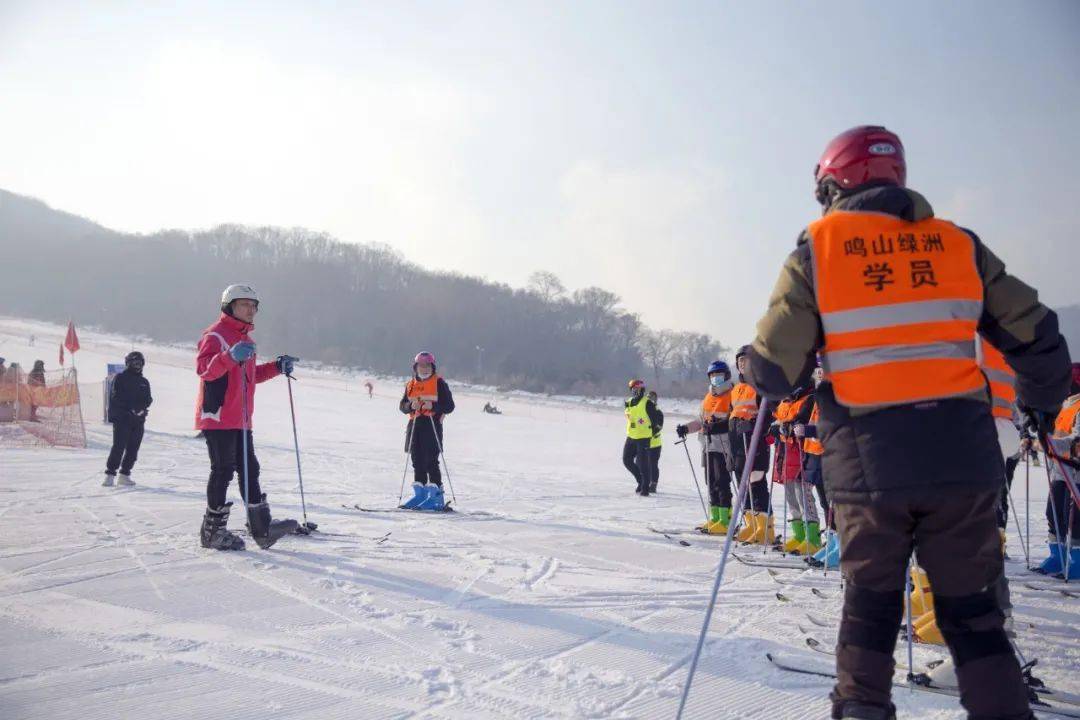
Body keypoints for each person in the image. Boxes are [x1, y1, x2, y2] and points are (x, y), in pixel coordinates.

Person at [746, 124, 1071, 720]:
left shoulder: (816, 251)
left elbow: (772, 370)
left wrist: (770, 366)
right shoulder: (957, 245)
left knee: (870, 611)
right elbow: (1039, 335)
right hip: (962, 468)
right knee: (974, 618)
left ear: (833, 184)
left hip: (869, 471)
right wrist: (1041, 405)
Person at [195, 284, 298, 551]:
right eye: (244, 305)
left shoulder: (247, 342)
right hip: (218, 416)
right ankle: (213, 531)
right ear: (229, 306)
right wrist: (229, 355)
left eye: (254, 306)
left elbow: (252, 377)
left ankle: (262, 528)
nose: (251, 310)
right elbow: (205, 370)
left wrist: (276, 367)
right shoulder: (215, 336)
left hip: (241, 418)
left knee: (250, 469)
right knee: (223, 470)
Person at [676, 360, 734, 533]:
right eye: (713, 375)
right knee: (711, 482)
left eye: (719, 375)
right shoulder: (708, 397)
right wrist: (686, 428)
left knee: (721, 481)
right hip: (707, 446)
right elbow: (701, 421)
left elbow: (732, 421)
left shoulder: (732, 394)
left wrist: (718, 425)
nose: (716, 378)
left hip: (723, 446)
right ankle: (715, 517)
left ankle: (726, 520)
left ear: (727, 376)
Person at [1034, 362, 1080, 577]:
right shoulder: (1064, 406)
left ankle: (1077, 560)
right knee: (1053, 514)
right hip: (1059, 471)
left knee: (1073, 518)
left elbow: (1076, 441)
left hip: (1075, 473)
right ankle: (1057, 556)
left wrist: (1053, 443)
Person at [399, 351, 456, 510]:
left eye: (427, 366)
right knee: (417, 460)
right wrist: (411, 406)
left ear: (432, 366)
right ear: (415, 367)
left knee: (431, 460)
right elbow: (402, 406)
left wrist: (434, 407)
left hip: (431, 425)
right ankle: (421, 494)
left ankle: (436, 496)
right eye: (420, 366)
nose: (424, 369)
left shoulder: (439, 383)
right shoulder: (410, 384)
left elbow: (449, 406)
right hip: (414, 424)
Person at [731, 346, 774, 544]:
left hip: (756, 442)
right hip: (739, 443)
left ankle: (765, 527)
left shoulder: (761, 386)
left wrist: (754, 424)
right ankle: (751, 525)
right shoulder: (736, 389)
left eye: (746, 361)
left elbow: (770, 414)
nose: (742, 365)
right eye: (740, 361)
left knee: (756, 481)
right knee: (743, 483)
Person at [774, 384, 820, 555]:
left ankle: (813, 537)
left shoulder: (808, 399)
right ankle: (798, 534)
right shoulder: (784, 401)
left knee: (803, 493)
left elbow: (802, 419)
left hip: (801, 450)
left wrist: (791, 426)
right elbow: (778, 417)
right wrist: (776, 426)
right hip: (786, 451)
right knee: (790, 493)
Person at [103, 351, 152, 487]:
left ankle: (124, 474)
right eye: (134, 362)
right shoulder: (120, 378)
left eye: (139, 363)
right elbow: (116, 396)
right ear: (128, 363)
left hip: (138, 420)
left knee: (133, 448)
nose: (137, 365)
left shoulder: (144, 382)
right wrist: (130, 409)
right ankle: (110, 475)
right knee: (119, 446)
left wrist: (141, 409)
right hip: (123, 419)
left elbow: (148, 399)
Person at [623, 379, 661, 496]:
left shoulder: (647, 403)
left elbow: (656, 420)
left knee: (643, 463)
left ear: (642, 390)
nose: (636, 391)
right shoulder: (629, 402)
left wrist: (652, 432)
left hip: (643, 437)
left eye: (638, 389)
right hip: (631, 436)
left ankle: (645, 487)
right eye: (634, 389)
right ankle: (640, 480)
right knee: (627, 460)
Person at [647, 390, 664, 493]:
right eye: (648, 398)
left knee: (653, 464)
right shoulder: (644, 411)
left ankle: (653, 484)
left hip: (655, 444)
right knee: (641, 463)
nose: (650, 400)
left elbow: (658, 427)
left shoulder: (658, 413)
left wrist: (648, 434)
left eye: (652, 398)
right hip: (644, 442)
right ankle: (644, 482)